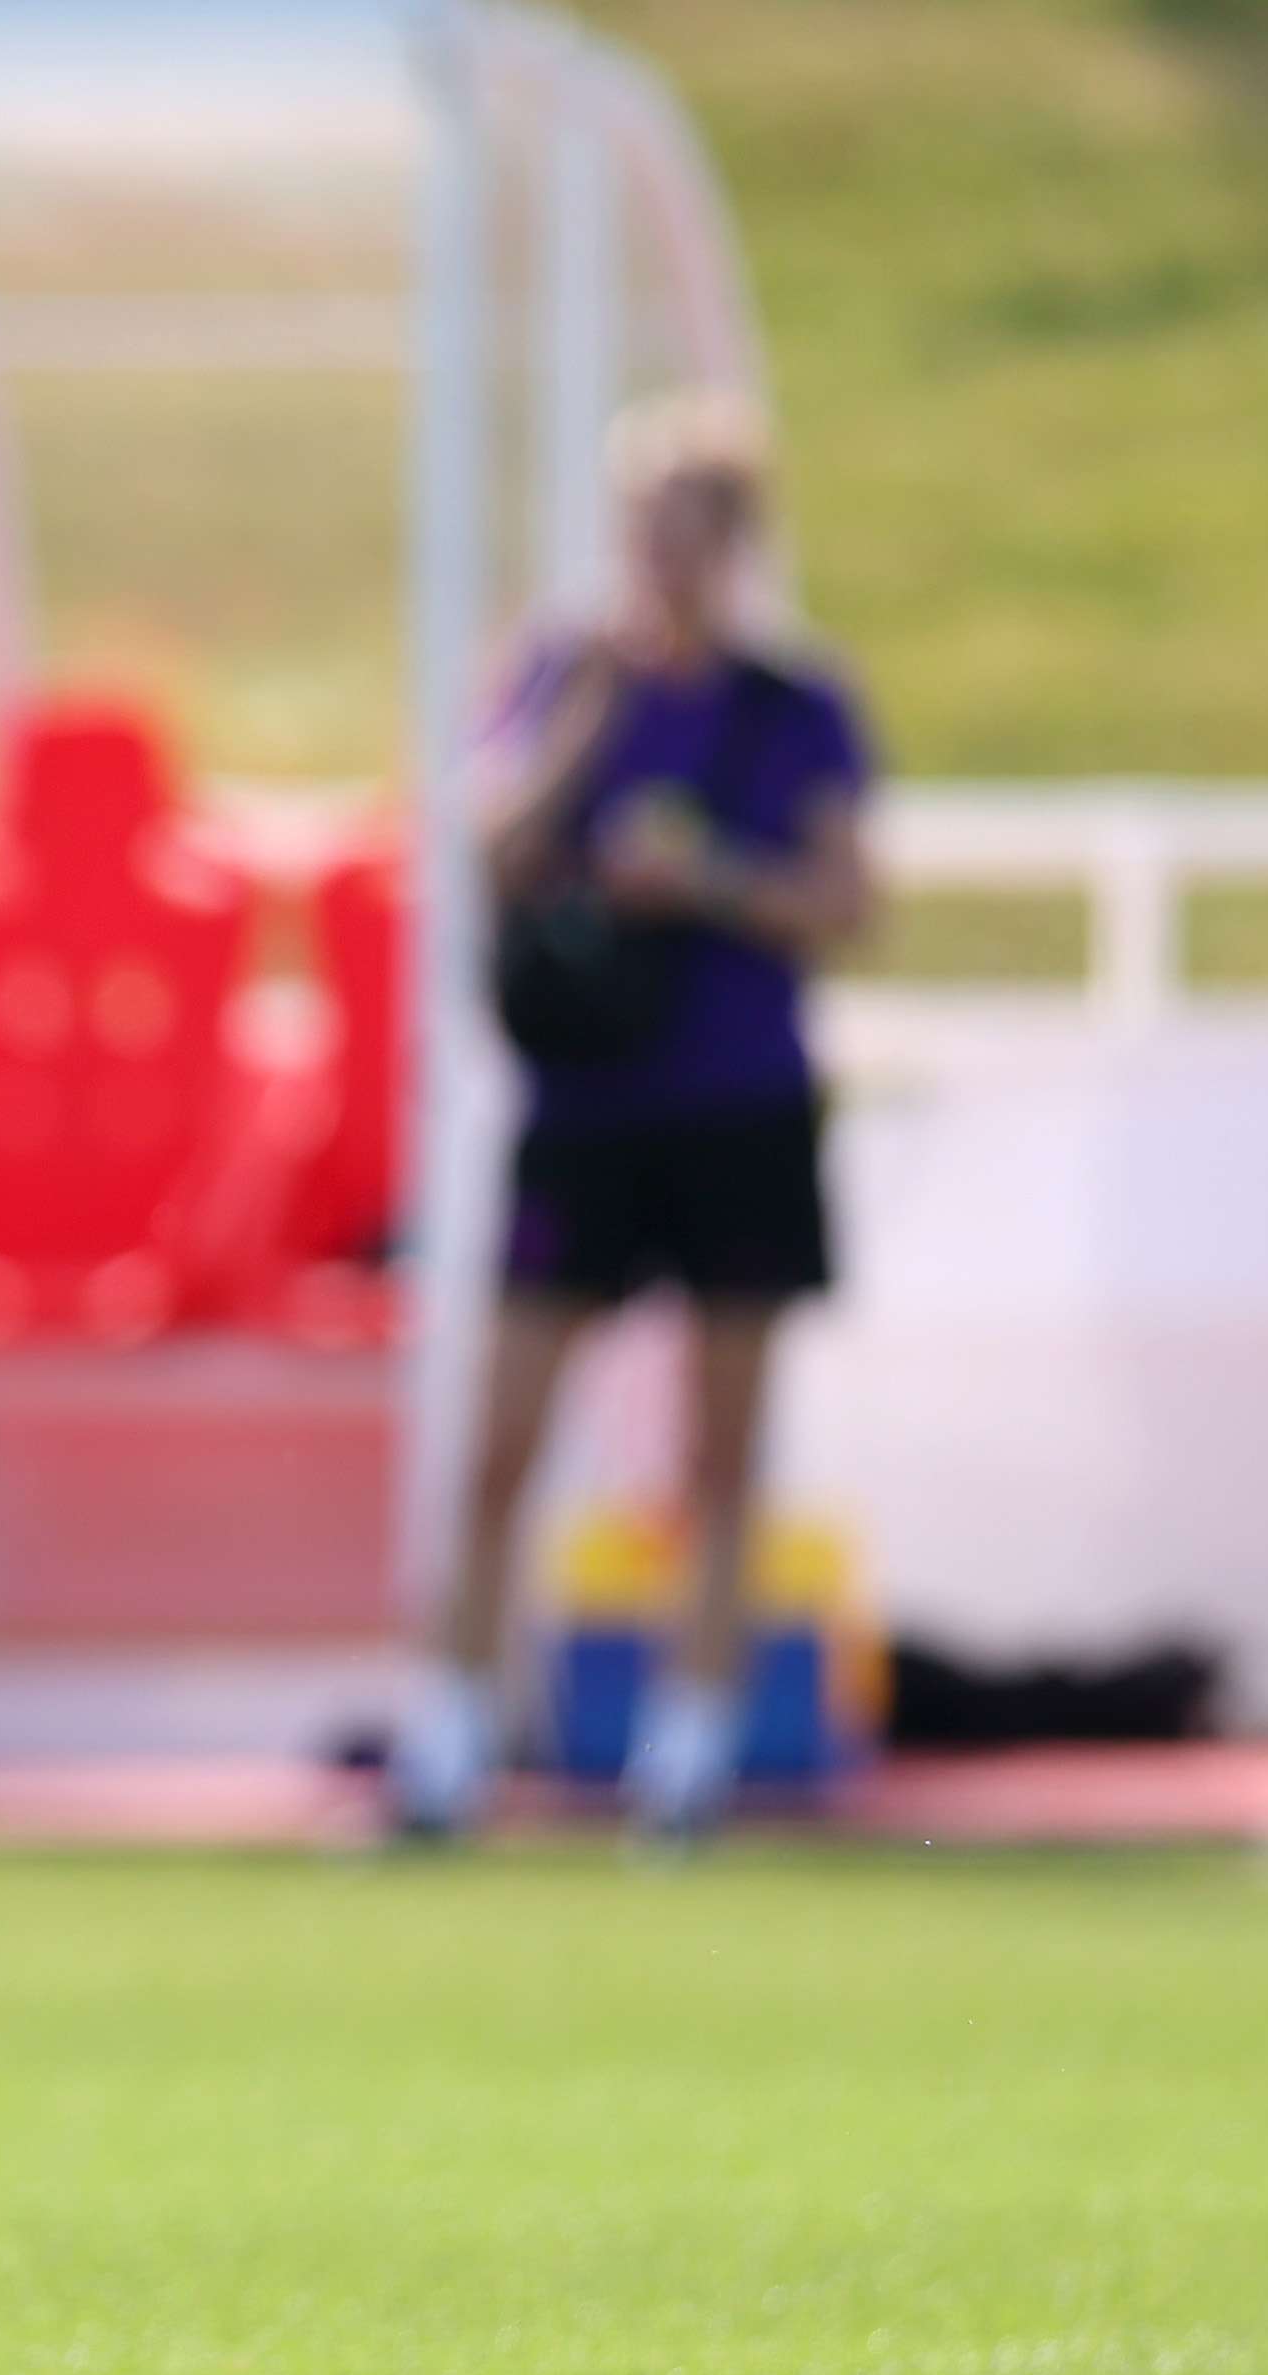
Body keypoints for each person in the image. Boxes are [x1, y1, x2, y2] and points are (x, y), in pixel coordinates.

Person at [391, 393, 877, 1848]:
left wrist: (709, 879)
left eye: (687, 531)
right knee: (501, 1438)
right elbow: (483, 844)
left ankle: (686, 1746)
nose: (658, 560)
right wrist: (588, 726)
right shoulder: (557, 675)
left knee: (717, 1451)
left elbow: (844, 904)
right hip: (586, 1108)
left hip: (733, 1101)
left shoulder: (791, 705)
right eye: (640, 529)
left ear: (733, 544)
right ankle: (447, 1742)